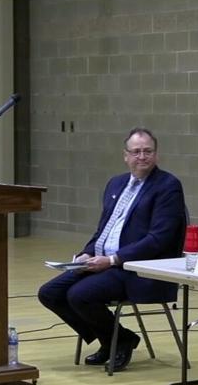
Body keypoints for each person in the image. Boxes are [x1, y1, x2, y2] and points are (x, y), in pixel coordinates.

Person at [38, 127, 186, 372]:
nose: (142, 156)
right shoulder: (116, 183)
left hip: (137, 268)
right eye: (136, 152)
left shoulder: (167, 186)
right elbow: (103, 230)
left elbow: (159, 239)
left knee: (79, 295)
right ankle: (115, 338)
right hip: (103, 262)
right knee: (49, 293)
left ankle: (115, 341)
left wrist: (113, 260)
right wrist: (87, 253)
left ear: (156, 155)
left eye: (148, 151)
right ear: (125, 156)